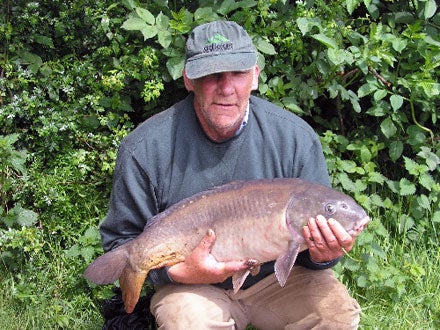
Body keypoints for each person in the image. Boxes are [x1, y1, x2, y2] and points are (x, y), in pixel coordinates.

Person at [99, 20, 364, 329]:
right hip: (193, 288)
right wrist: (178, 273)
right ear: (188, 78)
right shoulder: (145, 148)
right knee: (187, 322)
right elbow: (121, 241)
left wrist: (323, 254)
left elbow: (313, 255)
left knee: (336, 316)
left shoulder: (295, 139)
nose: (226, 88)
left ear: (254, 76)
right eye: (212, 75)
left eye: (238, 73)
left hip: (279, 281)